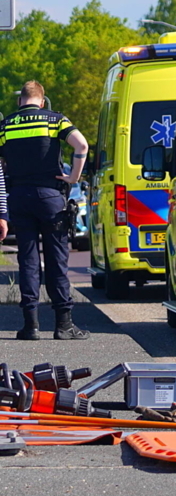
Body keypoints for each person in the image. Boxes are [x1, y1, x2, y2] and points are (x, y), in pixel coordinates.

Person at [0, 81, 89, 340]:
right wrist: (73, 177)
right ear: (42, 100)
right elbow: (81, 145)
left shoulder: (6, 126)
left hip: (19, 198)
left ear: (20, 102)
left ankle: (31, 326)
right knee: (56, 261)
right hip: (51, 198)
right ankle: (64, 325)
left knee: (27, 260)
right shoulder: (55, 120)